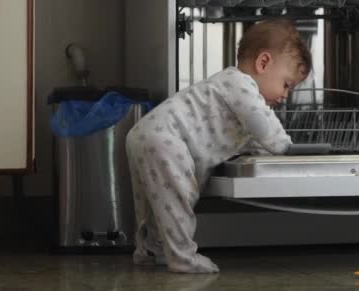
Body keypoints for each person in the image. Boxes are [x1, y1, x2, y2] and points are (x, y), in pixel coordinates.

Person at [125, 18, 312, 273]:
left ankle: (152, 250)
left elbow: (249, 139)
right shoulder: (240, 83)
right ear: (263, 62)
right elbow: (261, 124)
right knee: (177, 198)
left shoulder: (231, 91)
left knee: (157, 200)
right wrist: (284, 145)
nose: (285, 95)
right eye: (287, 84)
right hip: (165, 138)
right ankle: (183, 257)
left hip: (147, 133)